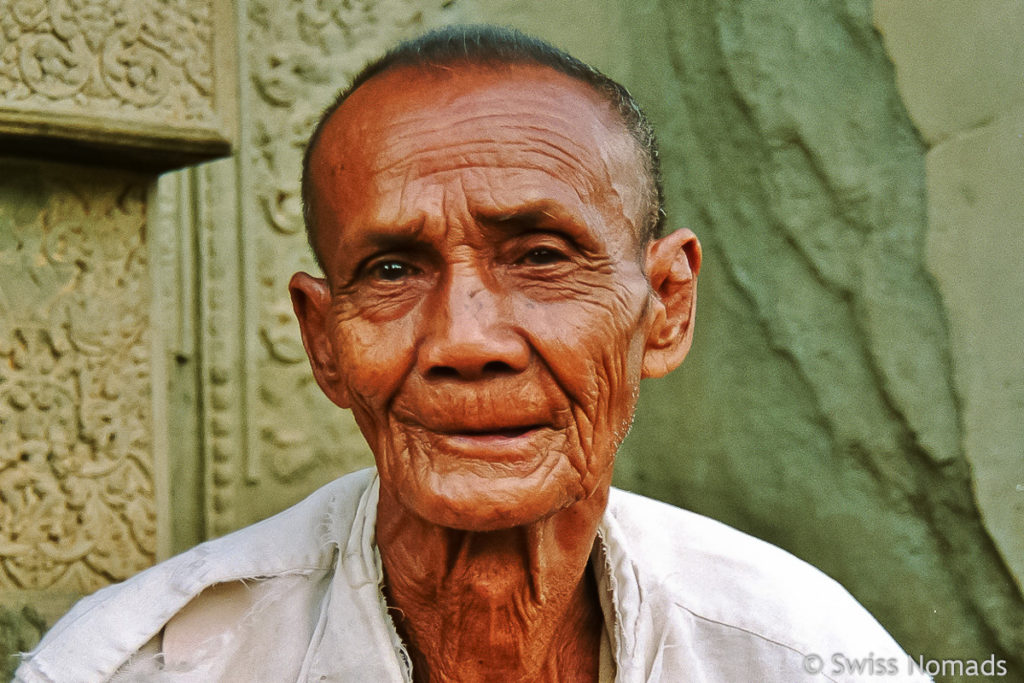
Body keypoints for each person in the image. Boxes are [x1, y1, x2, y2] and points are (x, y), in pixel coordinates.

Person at [15, 25, 929, 682]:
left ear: (666, 308)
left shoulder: (796, 649)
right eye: (391, 268)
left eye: (541, 256)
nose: (465, 340)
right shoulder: (138, 665)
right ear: (324, 340)